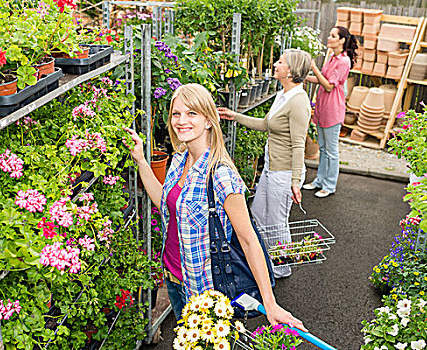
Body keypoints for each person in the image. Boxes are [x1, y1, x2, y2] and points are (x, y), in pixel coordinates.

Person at [128, 83, 305, 331]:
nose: (181, 121)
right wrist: (140, 160)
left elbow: (248, 240)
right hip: (173, 277)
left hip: (203, 291)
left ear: (209, 121)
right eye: (176, 113)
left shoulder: (221, 175)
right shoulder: (180, 158)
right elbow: (167, 204)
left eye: (192, 114)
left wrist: (270, 302)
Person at [218, 49, 312, 279]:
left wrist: (295, 182)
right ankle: (266, 259)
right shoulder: (284, 95)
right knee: (258, 213)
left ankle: (281, 268)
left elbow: (299, 145)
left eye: (281, 62)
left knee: (278, 222)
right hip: (271, 169)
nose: (276, 64)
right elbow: (266, 124)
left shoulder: (299, 102)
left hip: (285, 173)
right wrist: (235, 115)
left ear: (291, 71)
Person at [302, 26, 358, 198]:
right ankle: (319, 180)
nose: (329, 37)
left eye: (333, 36)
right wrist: (302, 76)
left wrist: (313, 66)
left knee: (332, 151)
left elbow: (328, 86)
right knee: (323, 148)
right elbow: (321, 79)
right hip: (322, 107)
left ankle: (329, 185)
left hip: (333, 109)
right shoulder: (333, 58)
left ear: (341, 40)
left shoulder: (343, 61)